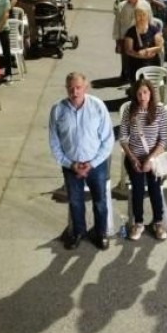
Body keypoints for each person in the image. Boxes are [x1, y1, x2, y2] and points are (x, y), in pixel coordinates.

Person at [49, 72, 114, 250]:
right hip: (71, 166)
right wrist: (71, 164)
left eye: (78, 88)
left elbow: (108, 140)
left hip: (96, 164)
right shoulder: (57, 110)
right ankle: (78, 232)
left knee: (100, 201)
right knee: (75, 201)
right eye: (71, 88)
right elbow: (54, 143)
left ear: (86, 87)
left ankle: (101, 233)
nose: (74, 92)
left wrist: (91, 164)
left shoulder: (98, 106)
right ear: (66, 89)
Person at [119, 79, 167, 241]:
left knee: (155, 189)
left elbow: (163, 140)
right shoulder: (129, 110)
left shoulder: (160, 111)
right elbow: (123, 138)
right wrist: (133, 158)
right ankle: (138, 222)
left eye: (145, 92)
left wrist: (150, 159)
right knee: (138, 189)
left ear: (151, 93)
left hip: (153, 159)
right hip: (134, 157)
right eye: (139, 93)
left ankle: (158, 222)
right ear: (135, 94)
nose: (142, 96)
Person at [113, 0, 152, 82]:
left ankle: (140, 79)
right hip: (126, 38)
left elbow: (151, 21)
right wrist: (118, 41)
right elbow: (117, 24)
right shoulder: (121, 6)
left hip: (142, 37)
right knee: (126, 59)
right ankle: (126, 76)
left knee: (141, 60)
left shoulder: (145, 5)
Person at [123, 8, 164, 84]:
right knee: (138, 86)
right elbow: (128, 50)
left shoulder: (154, 30)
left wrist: (148, 50)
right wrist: (139, 55)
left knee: (153, 87)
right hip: (136, 64)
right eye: (139, 15)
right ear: (135, 17)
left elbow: (160, 47)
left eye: (144, 15)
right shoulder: (130, 32)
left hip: (152, 62)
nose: (141, 18)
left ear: (147, 16)